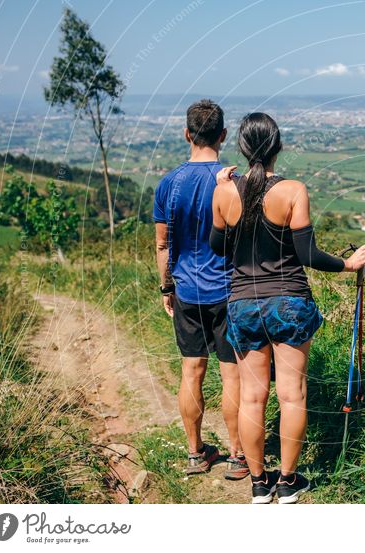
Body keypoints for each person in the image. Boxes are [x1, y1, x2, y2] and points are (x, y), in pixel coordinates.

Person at [210, 112, 365, 504]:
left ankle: (257, 483)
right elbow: (307, 254)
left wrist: (223, 188)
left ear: (243, 148)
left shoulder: (223, 192)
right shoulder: (293, 191)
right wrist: (349, 264)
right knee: (292, 394)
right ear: (278, 147)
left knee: (252, 397)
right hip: (289, 302)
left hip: (243, 304)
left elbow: (217, 248)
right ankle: (287, 481)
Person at [153, 99, 248, 480]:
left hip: (187, 290)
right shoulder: (233, 183)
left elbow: (162, 244)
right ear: (223, 136)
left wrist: (166, 287)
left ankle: (195, 454)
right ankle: (238, 456)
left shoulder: (168, 184)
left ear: (187, 134)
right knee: (232, 375)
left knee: (191, 370)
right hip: (228, 290)